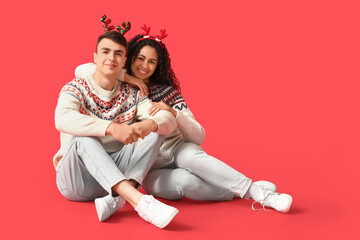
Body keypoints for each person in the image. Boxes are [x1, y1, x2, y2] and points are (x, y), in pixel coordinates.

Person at [75, 25, 293, 213]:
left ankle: (257, 193)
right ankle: (237, 192)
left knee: (190, 159)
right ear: (129, 58)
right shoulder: (120, 87)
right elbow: (82, 69)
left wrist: (172, 112)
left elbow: (199, 135)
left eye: (151, 61)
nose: (144, 65)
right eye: (140, 58)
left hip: (178, 148)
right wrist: (126, 76)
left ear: (157, 65)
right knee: (183, 182)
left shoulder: (167, 93)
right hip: (147, 166)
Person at [54, 24, 181, 229]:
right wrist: (111, 127)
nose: (111, 58)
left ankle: (118, 198)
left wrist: (149, 124)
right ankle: (141, 203)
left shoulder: (133, 94)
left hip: (112, 177)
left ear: (124, 61)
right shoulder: (76, 87)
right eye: (105, 52)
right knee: (83, 139)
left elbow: (169, 119)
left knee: (156, 131)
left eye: (118, 54)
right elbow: (62, 119)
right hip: (77, 181)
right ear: (95, 57)